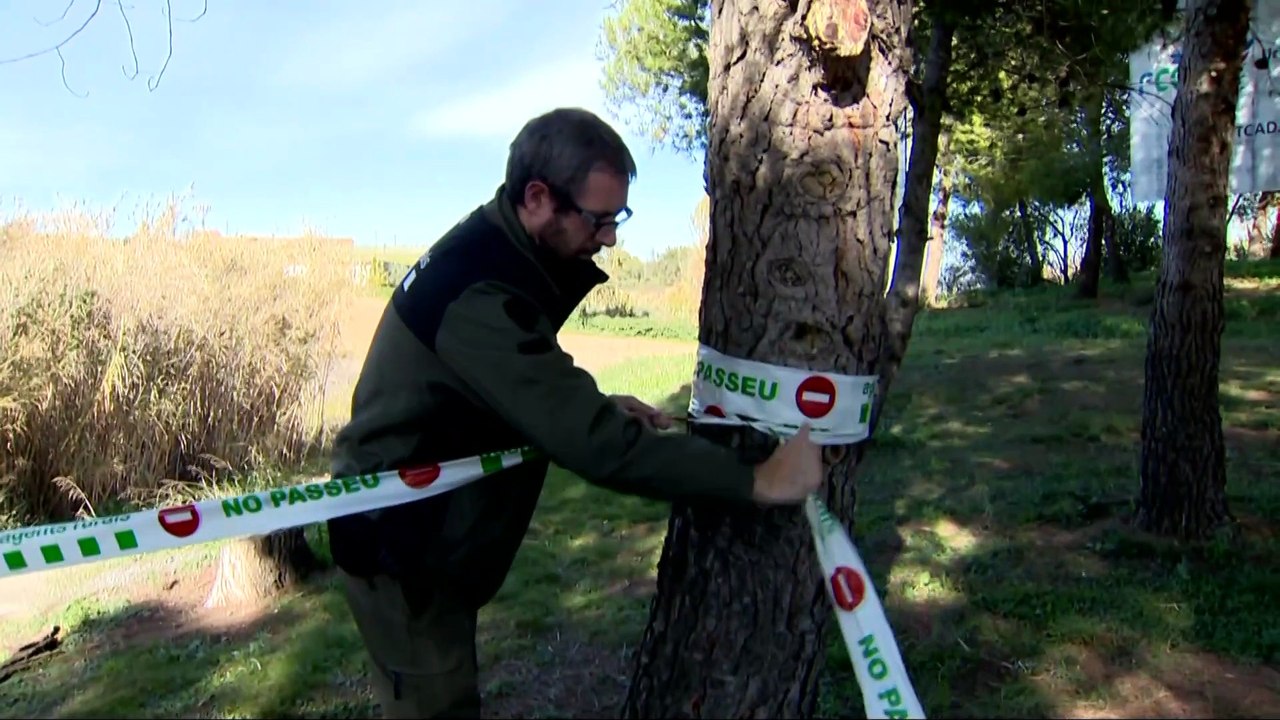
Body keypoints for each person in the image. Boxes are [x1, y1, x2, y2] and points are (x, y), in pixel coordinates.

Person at [326, 107, 825, 719]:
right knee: (437, 704)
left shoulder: (503, 251)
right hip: (398, 546)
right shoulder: (478, 291)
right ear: (538, 198)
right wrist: (755, 480)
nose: (610, 237)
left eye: (619, 218)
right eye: (599, 219)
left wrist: (597, 406)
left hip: (430, 533)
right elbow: (598, 445)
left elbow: (493, 386)